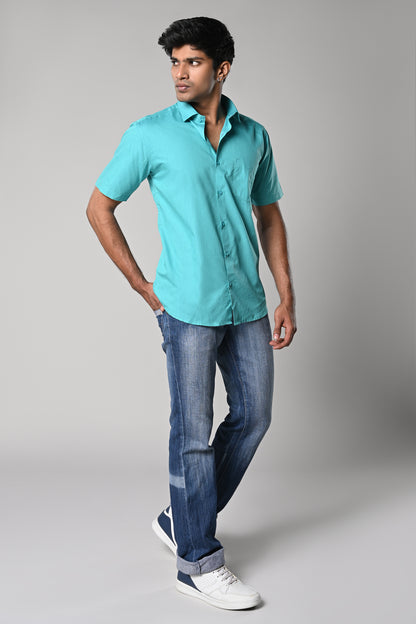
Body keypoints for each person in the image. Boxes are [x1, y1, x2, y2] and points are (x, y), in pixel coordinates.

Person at [86, 16, 297, 611]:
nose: (180, 73)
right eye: (175, 62)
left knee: (253, 417)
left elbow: (269, 215)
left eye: (193, 62)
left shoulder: (254, 136)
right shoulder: (149, 134)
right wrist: (140, 284)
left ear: (221, 69)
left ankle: (180, 517)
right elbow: (99, 206)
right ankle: (197, 560)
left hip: (247, 303)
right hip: (186, 307)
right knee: (192, 433)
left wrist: (286, 293)